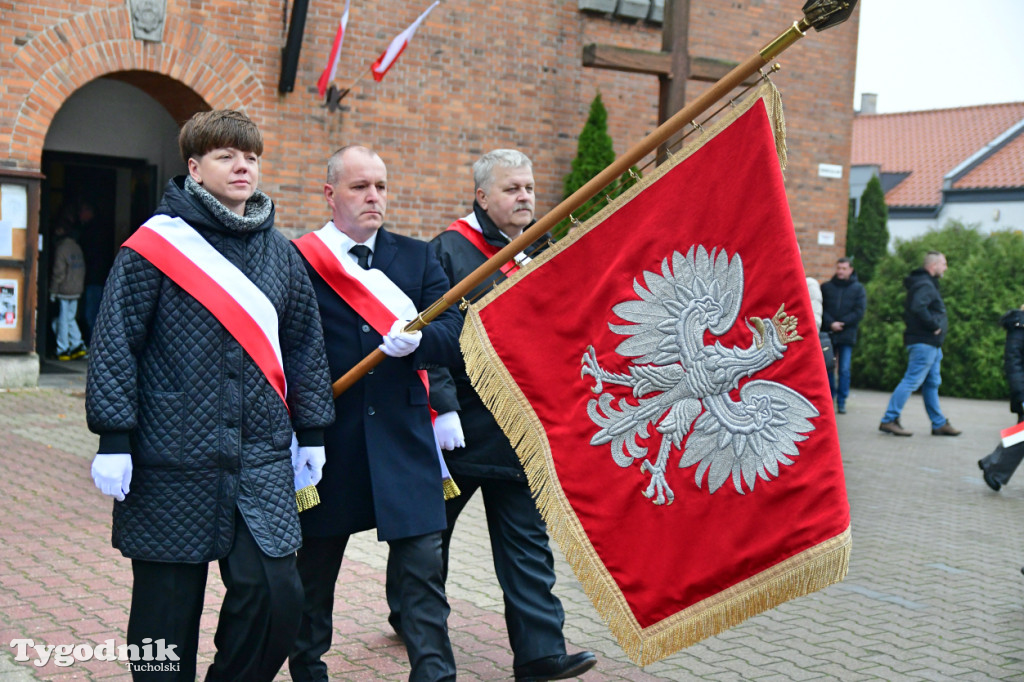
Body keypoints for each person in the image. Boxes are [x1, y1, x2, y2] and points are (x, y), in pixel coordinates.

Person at [85, 109, 336, 680]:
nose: (242, 166)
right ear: (195, 168)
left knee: (276, 594)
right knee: (164, 617)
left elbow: (303, 345)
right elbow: (116, 341)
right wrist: (114, 437)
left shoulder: (282, 254)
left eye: (250, 156)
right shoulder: (152, 247)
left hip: (262, 456)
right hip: (170, 455)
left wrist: (313, 432)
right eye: (226, 156)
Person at [389, 149, 597, 681]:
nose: (525, 196)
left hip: (521, 429)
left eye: (528, 187)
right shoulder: (449, 251)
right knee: (428, 539)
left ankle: (540, 653)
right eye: (512, 189)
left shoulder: (544, 245)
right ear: (482, 196)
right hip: (461, 428)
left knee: (526, 542)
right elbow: (426, 336)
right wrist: (443, 409)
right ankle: (408, 618)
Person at [289, 145, 463, 682]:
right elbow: (286, 343)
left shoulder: (417, 257)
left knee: (422, 570)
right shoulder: (298, 258)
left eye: (381, 187)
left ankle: (435, 674)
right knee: (313, 573)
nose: (373, 197)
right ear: (330, 194)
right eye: (360, 186)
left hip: (404, 435)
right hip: (330, 437)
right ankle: (307, 669)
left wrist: (422, 344)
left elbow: (455, 332)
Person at [878, 251, 960, 437]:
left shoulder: (925, 283)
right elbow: (918, 306)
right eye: (944, 264)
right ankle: (889, 419)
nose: (946, 268)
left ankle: (939, 423)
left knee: (932, 383)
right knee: (911, 380)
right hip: (925, 342)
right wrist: (933, 326)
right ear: (933, 266)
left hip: (931, 344)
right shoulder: (925, 284)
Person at [978, 305, 1024, 491]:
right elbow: (1013, 365)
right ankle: (993, 467)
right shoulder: (1019, 329)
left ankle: (992, 465)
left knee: (1021, 432)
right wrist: (1021, 394)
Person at [821, 257, 867, 414]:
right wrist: (831, 323)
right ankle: (829, 399)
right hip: (829, 334)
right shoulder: (826, 288)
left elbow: (859, 311)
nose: (840, 271)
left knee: (845, 369)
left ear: (850, 270)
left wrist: (843, 323)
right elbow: (821, 308)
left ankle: (842, 401)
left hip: (847, 334)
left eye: (844, 268)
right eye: (839, 268)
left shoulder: (858, 289)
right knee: (828, 368)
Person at [49, 207, 86, 360]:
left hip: (64, 288)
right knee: (70, 318)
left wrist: (53, 290)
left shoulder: (61, 248)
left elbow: (58, 272)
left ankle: (62, 348)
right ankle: (77, 344)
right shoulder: (76, 247)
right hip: (76, 288)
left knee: (63, 319)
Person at [78, 200, 115, 341]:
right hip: (97, 277)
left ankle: (93, 343)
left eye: (82, 211)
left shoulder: (92, 232)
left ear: (89, 212)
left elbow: (91, 256)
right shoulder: (97, 229)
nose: (80, 215)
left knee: (91, 314)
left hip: (94, 278)